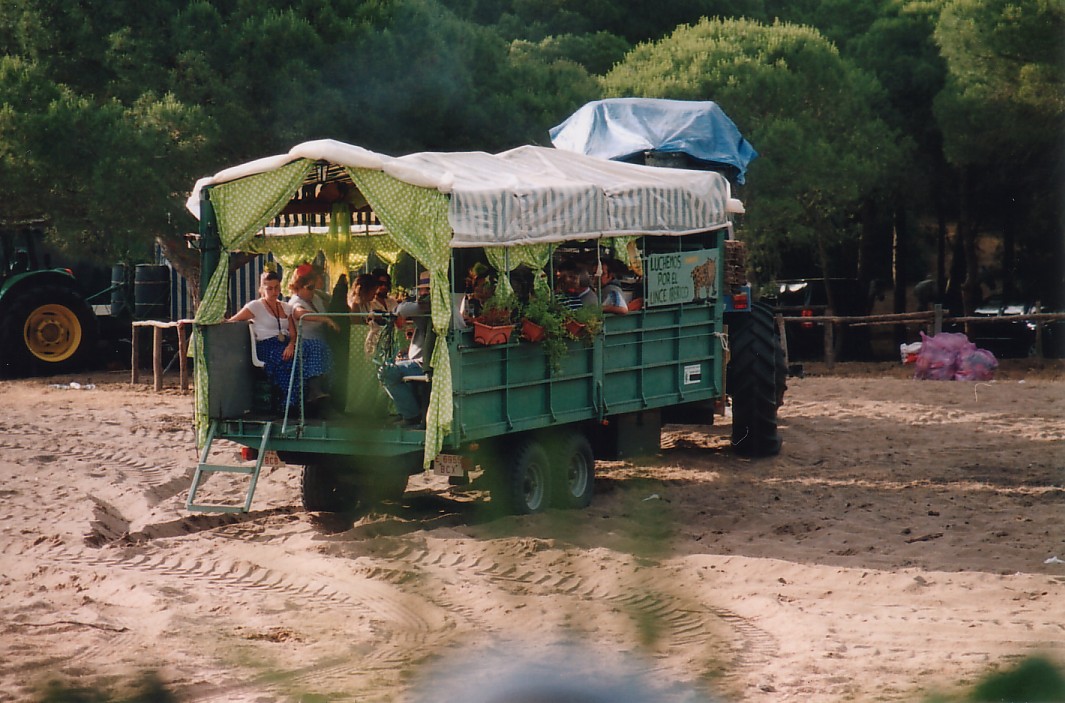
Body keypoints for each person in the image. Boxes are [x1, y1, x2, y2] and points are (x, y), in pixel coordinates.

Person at [227, 270, 330, 410]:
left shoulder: (285, 307)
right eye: (270, 288)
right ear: (262, 289)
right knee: (292, 361)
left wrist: (292, 344)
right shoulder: (255, 306)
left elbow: (293, 333)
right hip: (268, 346)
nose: (274, 291)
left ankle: (314, 388)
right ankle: (292, 403)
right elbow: (232, 321)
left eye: (276, 288)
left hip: (286, 343)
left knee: (316, 346)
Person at [378, 270, 431, 428]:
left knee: (386, 372)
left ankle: (411, 415)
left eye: (428, 289)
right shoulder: (448, 306)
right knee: (400, 362)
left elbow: (401, 310)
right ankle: (412, 412)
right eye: (423, 289)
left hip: (425, 364)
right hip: (425, 360)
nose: (424, 293)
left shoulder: (426, 306)